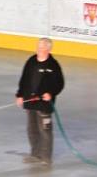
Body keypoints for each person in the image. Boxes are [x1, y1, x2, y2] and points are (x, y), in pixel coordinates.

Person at [16, 37, 64, 166]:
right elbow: (24, 79)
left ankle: (46, 157)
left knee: (45, 130)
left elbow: (60, 84)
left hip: (44, 104)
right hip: (30, 102)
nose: (38, 49)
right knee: (32, 130)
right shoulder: (31, 61)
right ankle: (35, 154)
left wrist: (51, 93)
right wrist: (20, 95)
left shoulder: (53, 65)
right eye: (38, 46)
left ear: (48, 49)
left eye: (42, 47)